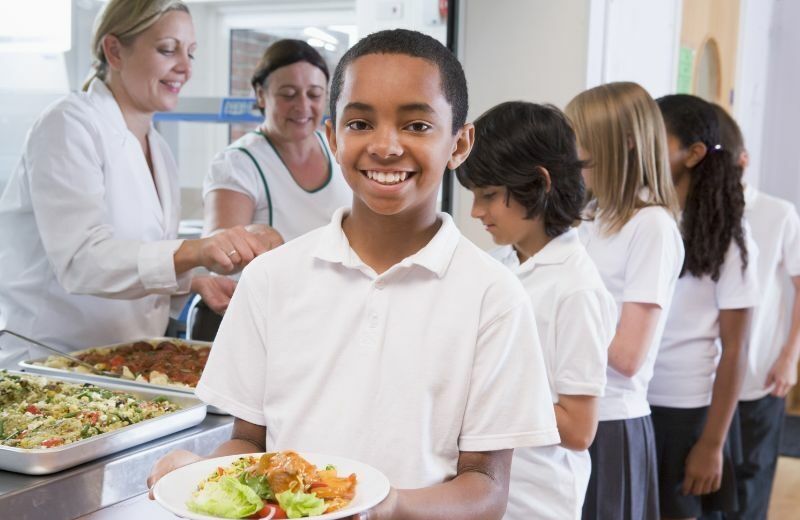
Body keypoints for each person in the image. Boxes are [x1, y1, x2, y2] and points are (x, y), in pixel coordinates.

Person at [148, 29, 561, 519]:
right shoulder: (271, 279)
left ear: (460, 142)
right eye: (361, 122)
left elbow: (487, 487)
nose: (386, 147)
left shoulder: (493, 297)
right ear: (332, 136)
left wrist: (388, 507)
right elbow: (245, 442)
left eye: (417, 126)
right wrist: (194, 475)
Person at [0, 0, 271, 364]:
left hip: (122, 361)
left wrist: (191, 282)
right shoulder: (68, 125)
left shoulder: (157, 147)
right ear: (114, 50)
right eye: (167, 50)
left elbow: (135, 257)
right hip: (49, 361)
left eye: (190, 53)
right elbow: (82, 260)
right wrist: (196, 250)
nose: (184, 68)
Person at [457, 101, 617, 520]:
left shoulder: (576, 289)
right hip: (486, 487)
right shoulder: (500, 265)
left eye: (488, 195)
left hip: (538, 501)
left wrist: (481, 394)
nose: (476, 212)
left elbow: (579, 429)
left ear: (539, 184)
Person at [565, 82, 685, 520]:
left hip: (613, 421)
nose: (574, 157)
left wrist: (559, 325)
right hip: (573, 408)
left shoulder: (652, 226)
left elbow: (629, 355)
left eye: (582, 144)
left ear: (624, 145)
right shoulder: (592, 219)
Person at [190, 39, 353, 338]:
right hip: (259, 323)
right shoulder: (237, 164)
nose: (303, 106)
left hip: (328, 318)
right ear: (261, 95)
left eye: (314, 94)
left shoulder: (340, 152)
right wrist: (255, 238)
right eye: (288, 94)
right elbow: (217, 253)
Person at [648, 94, 760, 520]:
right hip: (633, 402)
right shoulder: (644, 218)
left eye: (656, 139)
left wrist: (713, 444)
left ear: (693, 154)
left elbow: (736, 349)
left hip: (687, 412)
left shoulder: (731, 237)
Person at [712, 103, 800, 519]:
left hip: (762, 373)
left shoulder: (779, 213)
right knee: (710, 487)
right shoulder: (696, 215)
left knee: (752, 483)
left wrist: (790, 357)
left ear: (743, 160)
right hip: (706, 378)